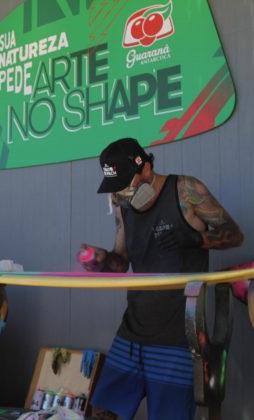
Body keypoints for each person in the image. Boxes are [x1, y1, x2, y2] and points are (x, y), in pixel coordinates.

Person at [79, 138, 243, 420]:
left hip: (178, 337)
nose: (123, 194)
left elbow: (234, 235)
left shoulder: (187, 190)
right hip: (133, 329)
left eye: (126, 184)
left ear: (145, 168)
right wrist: (101, 259)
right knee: (103, 412)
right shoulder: (122, 205)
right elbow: (121, 263)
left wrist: (196, 238)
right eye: (116, 187)